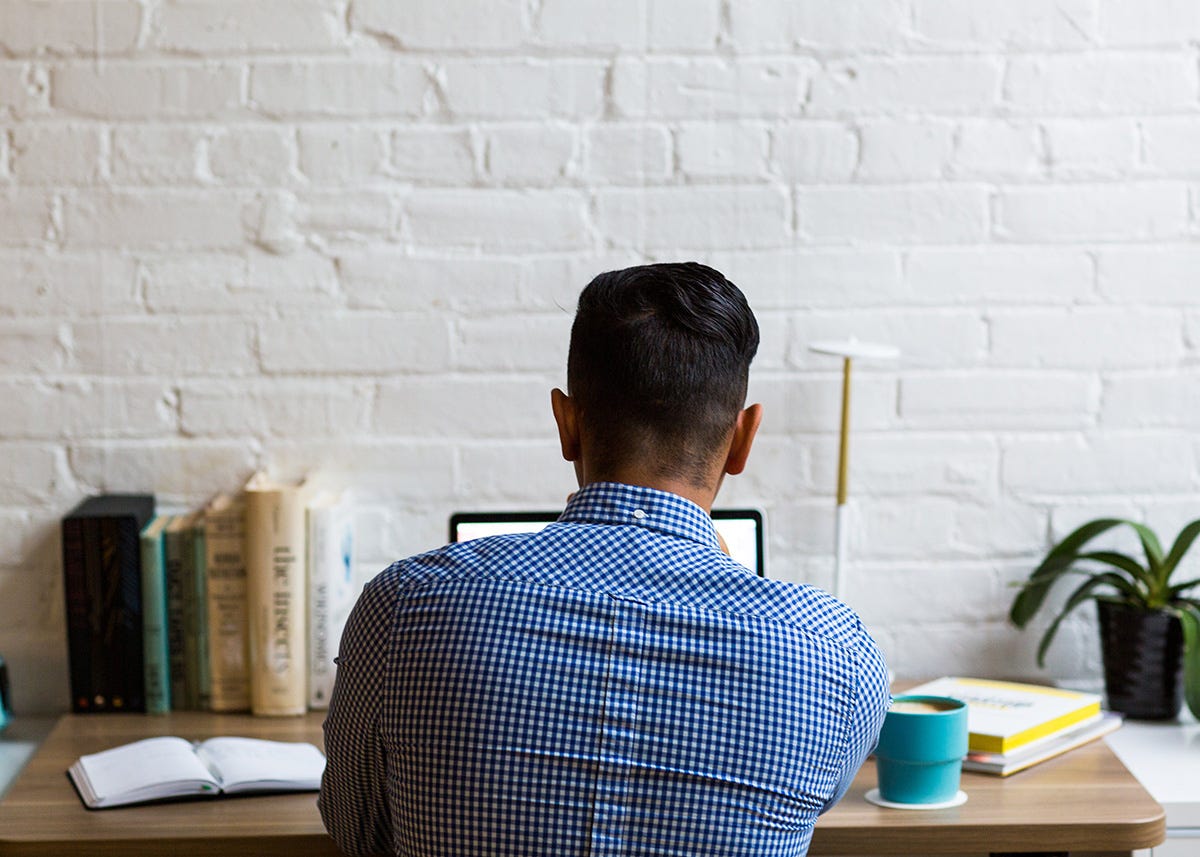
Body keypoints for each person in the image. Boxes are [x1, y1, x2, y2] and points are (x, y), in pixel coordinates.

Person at [319, 262, 890, 857]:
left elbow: (357, 829)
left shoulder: (403, 606)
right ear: (743, 440)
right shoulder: (837, 655)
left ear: (566, 424)